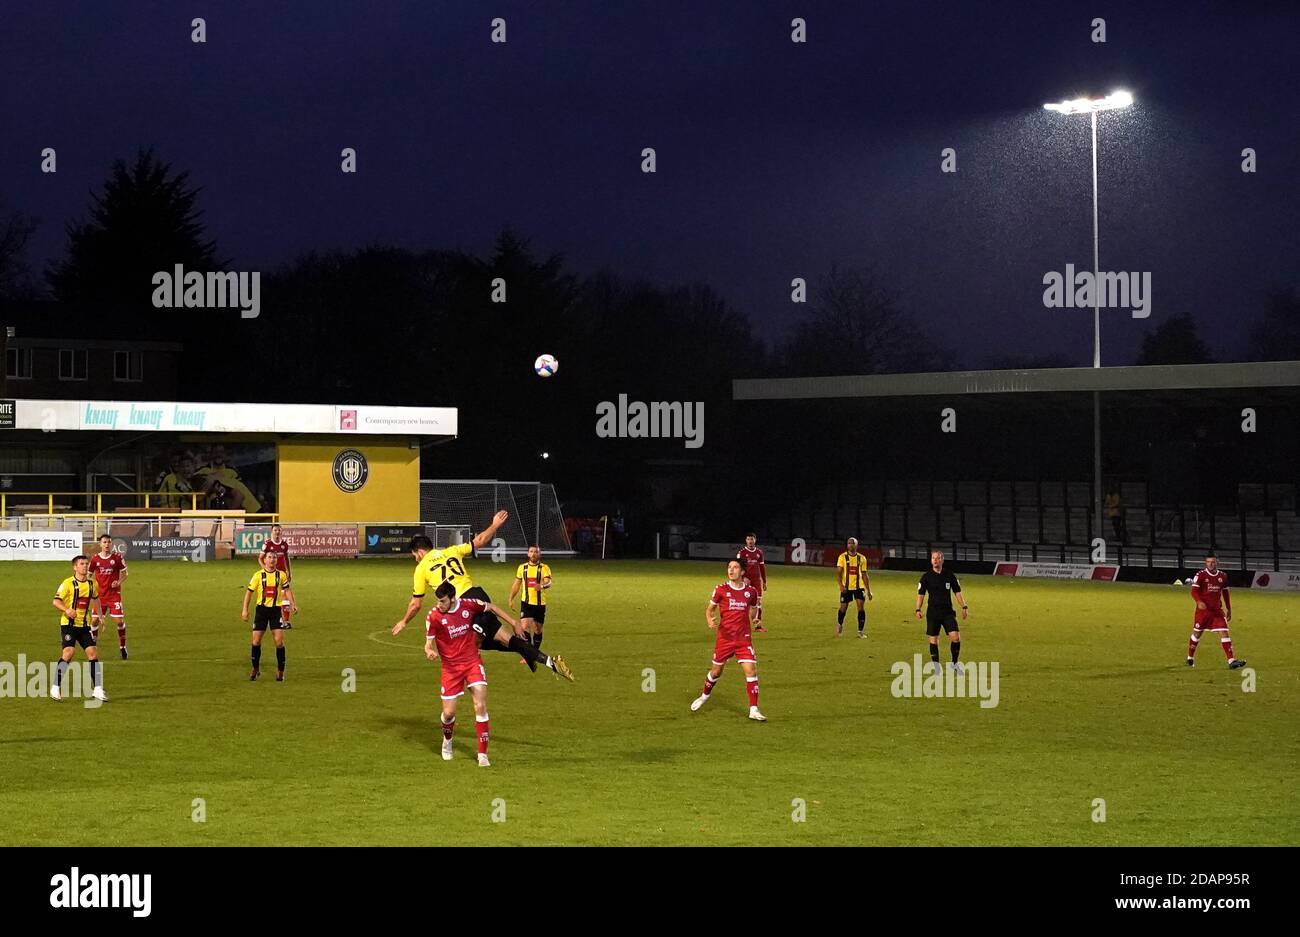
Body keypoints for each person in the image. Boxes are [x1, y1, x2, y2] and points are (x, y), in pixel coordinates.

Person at [392, 515, 574, 682]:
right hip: (477, 595)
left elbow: (416, 604)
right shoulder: (451, 551)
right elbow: (479, 541)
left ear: (419, 551)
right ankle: (540, 658)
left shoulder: (421, 568)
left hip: (463, 606)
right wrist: (494, 524)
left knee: (477, 643)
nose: (415, 559)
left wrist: (404, 621)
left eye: (414, 555)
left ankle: (544, 660)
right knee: (496, 640)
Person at [424, 582, 509, 766]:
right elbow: (428, 643)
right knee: (448, 713)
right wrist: (430, 651)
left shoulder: (468, 604)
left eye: (443, 601)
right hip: (451, 668)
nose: (439, 605)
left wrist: (514, 623)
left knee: (480, 705)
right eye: (438, 601)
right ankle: (447, 741)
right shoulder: (434, 616)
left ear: (453, 598)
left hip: (472, 662)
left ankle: (482, 755)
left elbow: (491, 607)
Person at [691, 559, 766, 721]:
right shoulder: (721, 590)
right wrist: (710, 620)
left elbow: (754, 608)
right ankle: (704, 696)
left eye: (735, 567)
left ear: (743, 572)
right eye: (729, 567)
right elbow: (710, 609)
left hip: (743, 639)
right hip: (724, 639)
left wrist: (755, 619)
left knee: (751, 671)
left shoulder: (750, 592)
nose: (731, 570)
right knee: (716, 671)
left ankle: (754, 709)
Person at [51, 555, 108, 702]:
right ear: (75, 567)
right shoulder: (67, 583)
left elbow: (96, 599)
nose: (85, 566)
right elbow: (56, 601)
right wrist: (66, 610)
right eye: (82, 564)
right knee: (69, 652)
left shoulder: (92, 584)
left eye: (86, 563)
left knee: (92, 653)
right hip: (68, 625)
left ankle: (98, 689)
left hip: (83, 625)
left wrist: (100, 616)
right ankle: (55, 687)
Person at [241, 551, 297, 682]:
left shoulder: (281, 575)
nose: (272, 560)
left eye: (274, 558)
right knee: (255, 642)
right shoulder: (258, 576)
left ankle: (280, 671)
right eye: (269, 557)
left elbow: (287, 590)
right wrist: (245, 610)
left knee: (279, 642)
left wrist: (293, 604)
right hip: (261, 611)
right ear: (264, 560)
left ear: (276, 561)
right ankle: (255, 669)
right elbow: (249, 593)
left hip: (275, 611)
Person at [1187, 551, 1246, 669]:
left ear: (1217, 562)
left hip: (1217, 611)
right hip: (1203, 612)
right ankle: (1190, 657)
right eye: (1208, 562)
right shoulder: (1200, 575)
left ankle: (1231, 661)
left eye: (1213, 562)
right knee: (1197, 634)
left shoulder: (1223, 576)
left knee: (1224, 632)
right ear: (1205, 562)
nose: (1210, 564)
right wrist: (1199, 602)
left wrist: (1229, 608)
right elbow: (1193, 591)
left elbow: (1225, 592)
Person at [915, 550, 968, 675]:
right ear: (931, 560)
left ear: (942, 560)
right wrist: (918, 609)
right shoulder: (926, 577)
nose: (935, 560)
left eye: (938, 558)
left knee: (956, 638)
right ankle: (937, 668)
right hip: (933, 613)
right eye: (933, 558)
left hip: (948, 612)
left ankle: (954, 664)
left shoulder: (949, 575)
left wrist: (964, 606)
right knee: (934, 640)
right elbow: (921, 594)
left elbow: (957, 592)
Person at [87, 534, 130, 659]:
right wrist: (91, 588)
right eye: (104, 542)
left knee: (120, 622)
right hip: (99, 596)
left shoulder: (117, 558)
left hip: (114, 595)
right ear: (100, 544)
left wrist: (119, 582)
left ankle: (122, 647)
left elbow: (125, 573)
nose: (107, 544)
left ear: (111, 544)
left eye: (109, 542)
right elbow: (89, 575)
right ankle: (93, 643)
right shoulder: (95, 559)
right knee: (94, 621)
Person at [508, 545, 552, 651]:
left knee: (537, 629)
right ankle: (529, 653)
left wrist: (541, 586)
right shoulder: (522, 568)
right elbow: (516, 584)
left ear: (539, 554)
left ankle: (535, 651)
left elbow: (549, 582)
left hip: (539, 604)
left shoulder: (544, 568)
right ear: (528, 554)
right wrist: (511, 598)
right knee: (524, 627)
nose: (533, 554)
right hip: (526, 603)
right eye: (531, 551)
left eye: (536, 552)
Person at [835, 537, 872, 637]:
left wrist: (869, 590)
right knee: (843, 608)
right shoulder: (842, 557)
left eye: (852, 543)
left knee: (861, 608)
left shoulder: (862, 558)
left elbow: (864, 575)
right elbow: (838, 573)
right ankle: (839, 624)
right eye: (849, 543)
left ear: (856, 545)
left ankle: (860, 632)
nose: (850, 545)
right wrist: (841, 585)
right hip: (846, 587)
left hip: (859, 587)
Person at [261, 523, 294, 629]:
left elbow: (286, 558)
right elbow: (260, 558)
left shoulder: (284, 544)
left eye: (279, 530)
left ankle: (286, 621)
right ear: (272, 531)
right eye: (275, 530)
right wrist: (265, 569)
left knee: (285, 596)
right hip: (271, 574)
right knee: (271, 596)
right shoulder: (267, 544)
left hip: (282, 574)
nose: (277, 532)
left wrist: (289, 571)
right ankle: (271, 619)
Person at [736, 533, 768, 632]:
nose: (750, 541)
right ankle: (739, 625)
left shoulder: (759, 552)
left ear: (755, 540)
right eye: (748, 539)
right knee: (742, 603)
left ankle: (758, 626)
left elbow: (762, 567)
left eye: (752, 539)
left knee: (759, 603)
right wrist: (741, 579)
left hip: (756, 581)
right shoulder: (741, 553)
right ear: (746, 540)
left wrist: (764, 581)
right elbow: (737, 567)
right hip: (746, 580)